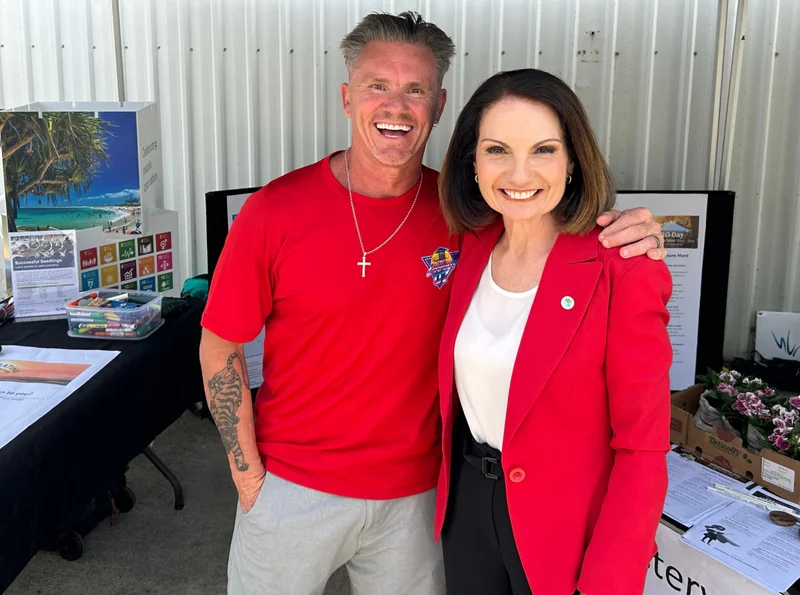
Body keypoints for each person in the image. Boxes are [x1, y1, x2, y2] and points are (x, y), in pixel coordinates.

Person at [199, 12, 666, 595]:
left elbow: (542, 212)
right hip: (293, 490)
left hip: (419, 501)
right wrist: (248, 480)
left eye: (415, 89)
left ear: (439, 105)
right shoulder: (276, 211)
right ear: (348, 97)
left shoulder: (465, 218)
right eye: (378, 86)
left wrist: (633, 230)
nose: (396, 106)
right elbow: (221, 342)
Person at [434, 68, 672, 595]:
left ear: (573, 161)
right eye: (498, 150)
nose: (519, 174)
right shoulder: (468, 247)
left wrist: (612, 579)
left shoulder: (622, 267)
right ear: (472, 161)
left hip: (564, 530)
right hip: (468, 506)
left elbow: (643, 449)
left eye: (543, 150)